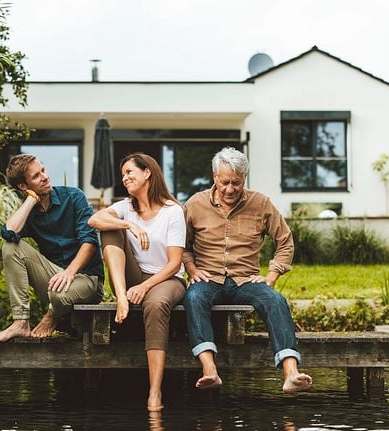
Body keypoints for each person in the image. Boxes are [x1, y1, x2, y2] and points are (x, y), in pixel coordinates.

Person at [182, 147, 313, 393]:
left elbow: (285, 241)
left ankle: (291, 373)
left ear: (244, 179)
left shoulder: (261, 203)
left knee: (275, 300)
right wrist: (191, 268)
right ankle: (210, 370)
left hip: (246, 279)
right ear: (214, 177)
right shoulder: (195, 204)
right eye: (225, 182)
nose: (230, 189)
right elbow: (182, 245)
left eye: (237, 182)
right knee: (193, 297)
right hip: (208, 278)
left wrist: (272, 275)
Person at [88, 153, 186, 411]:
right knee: (109, 229)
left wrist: (145, 286)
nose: (125, 178)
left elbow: (175, 263)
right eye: (123, 175)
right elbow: (93, 220)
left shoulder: (172, 211)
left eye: (130, 172)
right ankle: (120, 296)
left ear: (147, 173)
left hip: (167, 277)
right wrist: (128, 226)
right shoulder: (125, 207)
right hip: (130, 278)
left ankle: (155, 392)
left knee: (155, 306)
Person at [0, 154, 104, 344]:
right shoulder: (30, 212)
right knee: (11, 247)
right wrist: (31, 200)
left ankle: (51, 316)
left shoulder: (74, 197)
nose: (45, 176)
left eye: (43, 170)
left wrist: (69, 273)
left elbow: (90, 242)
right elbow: (9, 233)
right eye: (36, 176)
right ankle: (20, 322)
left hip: (87, 280)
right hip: (55, 280)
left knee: (58, 295)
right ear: (23, 186)